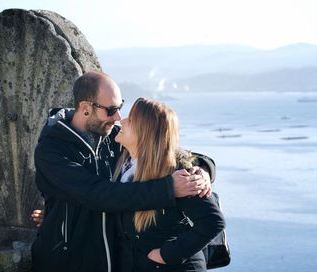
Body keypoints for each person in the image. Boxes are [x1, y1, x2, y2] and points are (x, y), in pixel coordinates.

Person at [32, 71, 214, 272]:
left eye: (119, 108)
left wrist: (202, 170)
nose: (118, 118)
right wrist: (169, 189)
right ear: (85, 108)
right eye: (110, 110)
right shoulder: (52, 151)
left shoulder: (113, 136)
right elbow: (98, 195)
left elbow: (163, 148)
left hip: (115, 258)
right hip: (69, 259)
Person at [113, 97, 225, 272]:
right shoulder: (120, 161)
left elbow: (213, 222)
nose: (122, 120)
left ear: (146, 131)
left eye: (131, 119)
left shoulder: (180, 173)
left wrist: (168, 254)